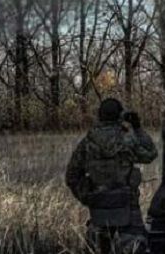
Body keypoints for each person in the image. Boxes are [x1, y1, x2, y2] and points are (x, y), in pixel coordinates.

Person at [66, 97, 159, 253]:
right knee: (135, 247)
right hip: (127, 205)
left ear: (99, 116)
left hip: (98, 206)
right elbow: (150, 154)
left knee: (98, 248)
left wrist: (87, 195)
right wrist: (137, 128)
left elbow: (72, 176)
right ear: (119, 116)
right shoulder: (127, 139)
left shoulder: (88, 142)